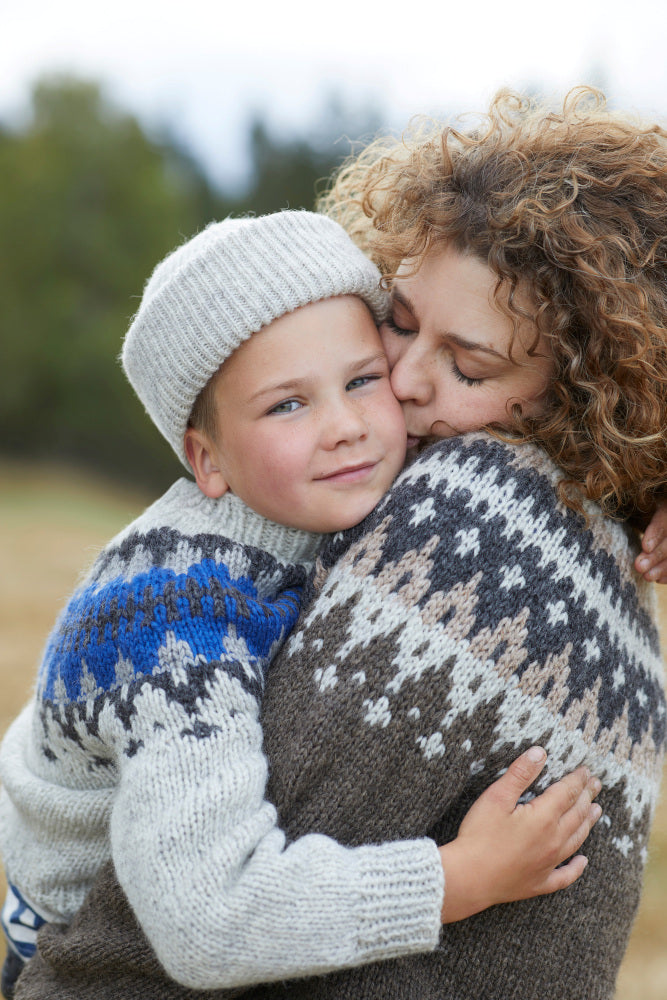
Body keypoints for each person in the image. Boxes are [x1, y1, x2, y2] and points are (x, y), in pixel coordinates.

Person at [57, 86, 666, 1000]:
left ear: (594, 390)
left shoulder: (477, 509)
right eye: (398, 321)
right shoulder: (188, 595)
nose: (397, 386)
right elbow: (208, 907)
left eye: (468, 366)